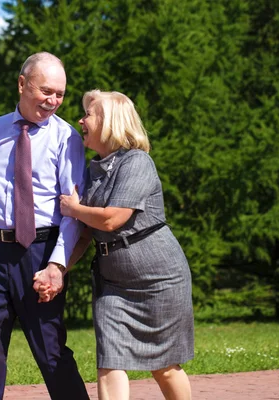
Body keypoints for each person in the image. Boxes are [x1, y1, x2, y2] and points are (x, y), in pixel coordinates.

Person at [38, 89, 195, 399]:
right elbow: (85, 234)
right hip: (113, 283)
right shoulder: (93, 170)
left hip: (159, 279)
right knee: (109, 359)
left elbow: (112, 220)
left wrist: (73, 208)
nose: (80, 120)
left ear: (109, 122)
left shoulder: (138, 162)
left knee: (163, 364)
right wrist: (59, 270)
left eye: (88, 114)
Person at [0, 51, 89, 399]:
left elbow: (72, 210)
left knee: (50, 349)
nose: (54, 101)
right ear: (21, 84)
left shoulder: (67, 137)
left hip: (41, 253)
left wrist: (58, 265)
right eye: (46, 91)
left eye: (60, 93)